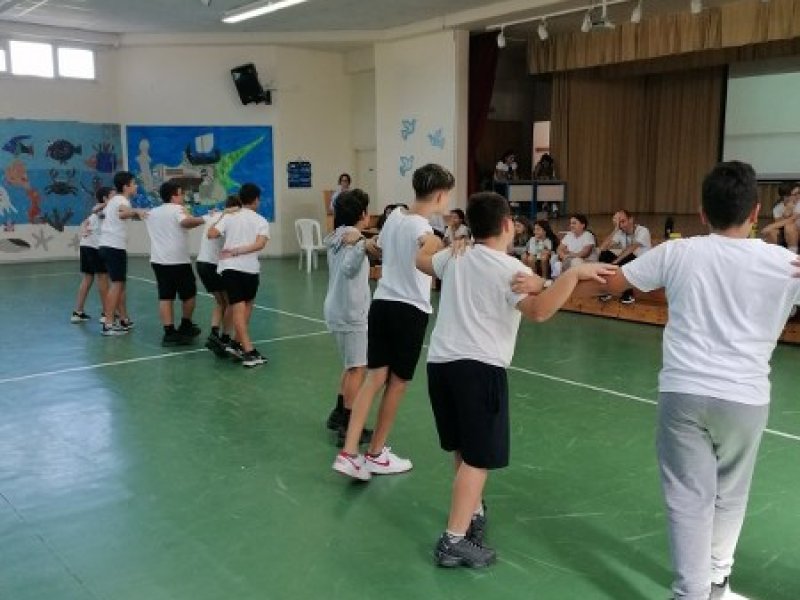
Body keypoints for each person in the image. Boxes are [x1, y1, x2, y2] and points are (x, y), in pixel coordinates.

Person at [600, 161, 800, 600]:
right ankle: (716, 580)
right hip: (745, 398)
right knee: (731, 493)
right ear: (756, 212)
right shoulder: (786, 263)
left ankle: (691, 592)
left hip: (684, 392)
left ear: (702, 212)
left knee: (688, 498)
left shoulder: (678, 252)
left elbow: (615, 282)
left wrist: (571, 272)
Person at [416, 191, 615, 568]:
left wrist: (444, 242)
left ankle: (472, 514)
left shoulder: (456, 256)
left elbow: (422, 261)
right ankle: (453, 540)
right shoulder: (508, 268)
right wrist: (572, 274)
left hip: (440, 364)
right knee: (478, 458)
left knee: (462, 449)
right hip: (479, 369)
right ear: (508, 224)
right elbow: (539, 312)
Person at [332, 163, 453, 481]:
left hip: (381, 304)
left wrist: (361, 239)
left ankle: (349, 453)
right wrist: (438, 245)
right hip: (409, 311)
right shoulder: (424, 230)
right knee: (397, 384)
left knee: (374, 379)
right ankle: (375, 454)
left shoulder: (395, 217)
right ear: (440, 196)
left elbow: (377, 249)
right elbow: (428, 253)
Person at [323, 189, 377, 447]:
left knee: (350, 365)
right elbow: (348, 267)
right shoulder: (352, 240)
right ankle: (349, 424)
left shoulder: (338, 235)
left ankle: (338, 413)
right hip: (351, 312)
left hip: (337, 307)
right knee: (357, 368)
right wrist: (362, 244)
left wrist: (361, 240)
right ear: (362, 214)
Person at [208, 182, 270, 368]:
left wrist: (223, 214)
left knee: (240, 307)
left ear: (241, 199)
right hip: (248, 269)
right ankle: (249, 351)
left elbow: (211, 233)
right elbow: (260, 244)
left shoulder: (230, 217)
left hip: (231, 268)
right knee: (243, 307)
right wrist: (240, 251)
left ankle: (236, 344)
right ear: (256, 200)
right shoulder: (261, 221)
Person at [145, 181, 206, 346]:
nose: (183, 197)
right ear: (173, 196)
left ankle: (169, 332)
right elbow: (185, 223)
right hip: (177, 260)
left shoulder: (152, 212)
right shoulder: (177, 210)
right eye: (181, 194)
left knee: (166, 296)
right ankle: (186, 325)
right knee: (189, 294)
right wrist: (205, 219)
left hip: (158, 260)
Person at [97, 171, 147, 336]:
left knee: (120, 285)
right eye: (134, 183)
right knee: (117, 285)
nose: (136, 186)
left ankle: (123, 319)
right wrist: (136, 211)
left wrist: (135, 212)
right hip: (114, 247)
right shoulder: (121, 200)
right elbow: (123, 212)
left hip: (106, 246)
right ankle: (109, 324)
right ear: (126, 186)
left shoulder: (114, 200)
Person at [197, 195, 241, 357]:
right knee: (230, 302)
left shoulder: (215, 215)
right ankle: (225, 337)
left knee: (220, 302)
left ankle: (214, 333)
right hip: (213, 265)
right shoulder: (228, 219)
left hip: (201, 264)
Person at [71, 187, 112, 324]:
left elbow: (85, 222)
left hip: (86, 245)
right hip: (94, 247)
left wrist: (84, 228)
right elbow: (95, 209)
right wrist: (108, 204)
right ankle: (106, 313)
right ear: (105, 198)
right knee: (103, 278)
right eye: (113, 195)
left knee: (88, 278)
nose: (116, 198)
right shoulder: (103, 209)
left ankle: (78, 312)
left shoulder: (103, 211)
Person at [597, 210, 651, 304]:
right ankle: (607, 291)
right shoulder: (620, 232)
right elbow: (603, 248)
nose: (621, 225)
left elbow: (631, 248)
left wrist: (615, 262)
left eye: (623, 221)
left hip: (643, 264)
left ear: (631, 220)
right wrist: (615, 230)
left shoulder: (642, 231)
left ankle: (628, 294)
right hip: (627, 261)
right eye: (618, 223)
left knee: (626, 257)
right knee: (604, 254)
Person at [551, 214, 595, 278]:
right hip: (568, 259)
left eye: (574, 223)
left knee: (576, 261)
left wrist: (569, 255)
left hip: (584, 260)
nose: (571, 225)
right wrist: (563, 255)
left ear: (583, 225)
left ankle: (571, 280)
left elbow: (584, 253)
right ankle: (557, 279)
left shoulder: (588, 235)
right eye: (571, 223)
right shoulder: (569, 235)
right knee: (554, 258)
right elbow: (559, 249)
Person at [760, 181, 800, 253]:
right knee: (772, 232)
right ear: (786, 196)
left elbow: (792, 219)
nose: (798, 196)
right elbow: (779, 224)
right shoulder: (778, 208)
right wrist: (786, 212)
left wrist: (769, 227)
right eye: (795, 194)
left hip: (796, 230)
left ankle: (792, 253)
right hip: (786, 234)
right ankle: (776, 254)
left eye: (799, 193)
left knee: (789, 226)